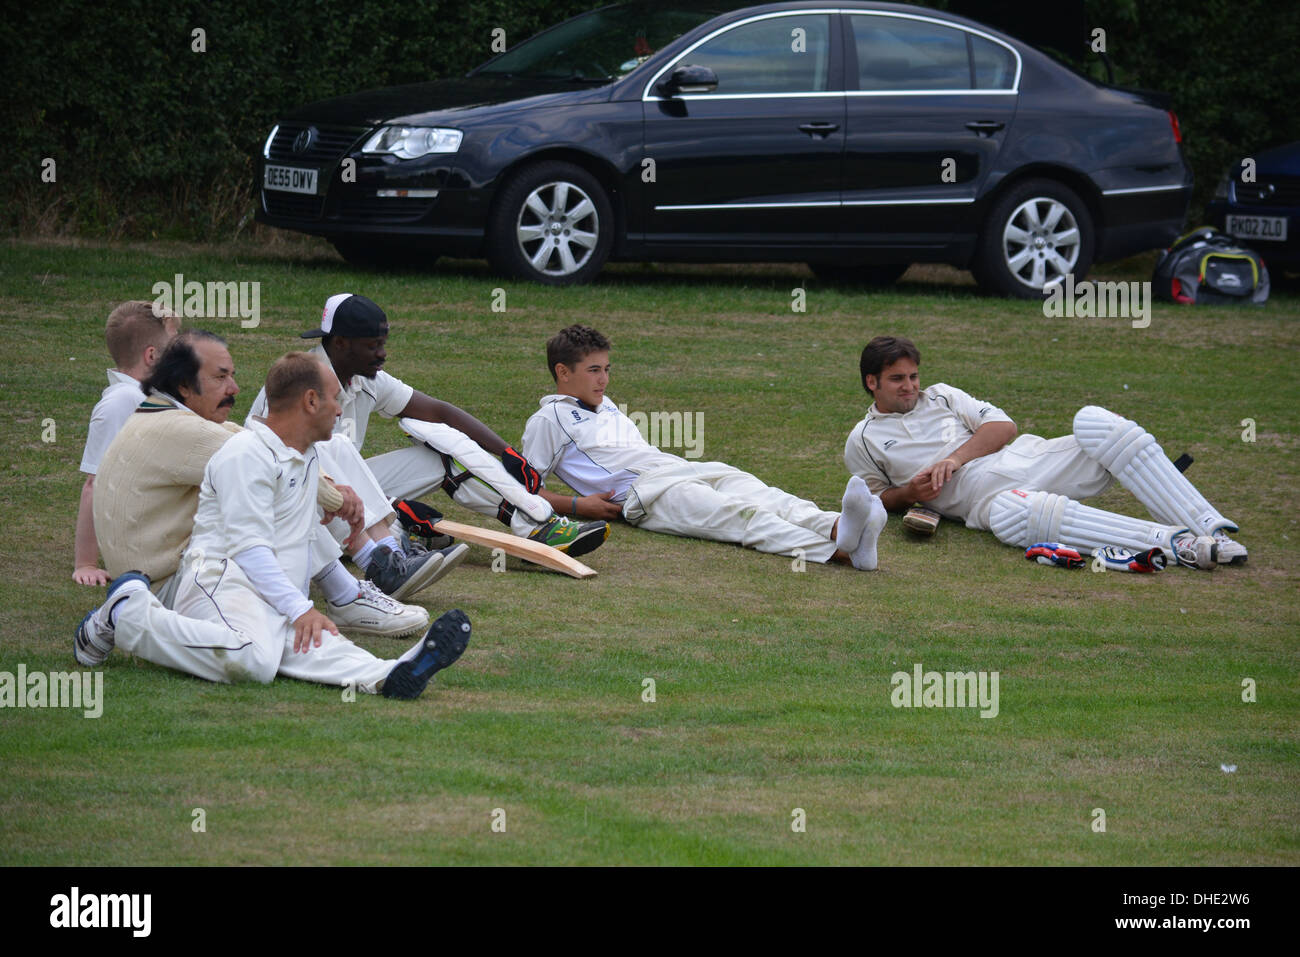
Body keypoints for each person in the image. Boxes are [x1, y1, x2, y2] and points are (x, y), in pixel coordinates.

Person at [75, 353, 470, 700]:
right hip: (223, 580)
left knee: (316, 644)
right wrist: (299, 608)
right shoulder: (245, 454)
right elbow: (248, 549)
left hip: (272, 593)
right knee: (254, 661)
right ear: (310, 400)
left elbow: (293, 534)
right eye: (334, 398)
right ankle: (128, 612)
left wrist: (309, 589)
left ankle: (391, 673)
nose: (339, 408)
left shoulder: (306, 454)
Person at [92, 330, 433, 639]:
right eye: (221, 377)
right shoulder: (180, 431)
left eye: (233, 376)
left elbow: (260, 447)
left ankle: (371, 567)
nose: (235, 389)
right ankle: (347, 595)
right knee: (284, 486)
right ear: (183, 385)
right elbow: (270, 457)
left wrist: (328, 488)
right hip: (168, 588)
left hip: (157, 577)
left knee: (307, 459)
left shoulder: (165, 417)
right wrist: (335, 499)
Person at [245, 294, 613, 563]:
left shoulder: (367, 379)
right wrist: (388, 506)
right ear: (340, 344)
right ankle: (398, 545)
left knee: (440, 455)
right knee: (390, 531)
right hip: (299, 507)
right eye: (374, 346)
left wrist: (508, 453)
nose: (382, 354)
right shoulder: (296, 385)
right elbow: (279, 477)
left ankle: (536, 525)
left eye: (383, 343)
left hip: (348, 493)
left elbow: (439, 411)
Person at [843, 335, 1243, 570]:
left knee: (1097, 423)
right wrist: (912, 493)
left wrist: (953, 459)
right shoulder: (862, 439)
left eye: (913, 376)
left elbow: (1003, 428)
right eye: (897, 379)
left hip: (1029, 458)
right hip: (986, 500)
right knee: (1013, 517)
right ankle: (1179, 545)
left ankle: (1210, 528)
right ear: (871, 382)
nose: (910, 386)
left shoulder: (943, 395)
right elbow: (877, 500)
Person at [520, 324, 887, 569]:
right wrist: (576, 504)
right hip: (644, 497)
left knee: (765, 493)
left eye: (607, 368)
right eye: (593, 370)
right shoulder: (548, 420)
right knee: (741, 515)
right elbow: (524, 488)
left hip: (679, 468)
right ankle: (840, 553)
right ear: (563, 372)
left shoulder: (604, 403)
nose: (604, 379)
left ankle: (841, 528)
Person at [74, 301, 180, 585]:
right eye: (174, 346)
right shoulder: (121, 402)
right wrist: (85, 563)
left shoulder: (153, 396)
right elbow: (95, 483)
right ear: (152, 356)